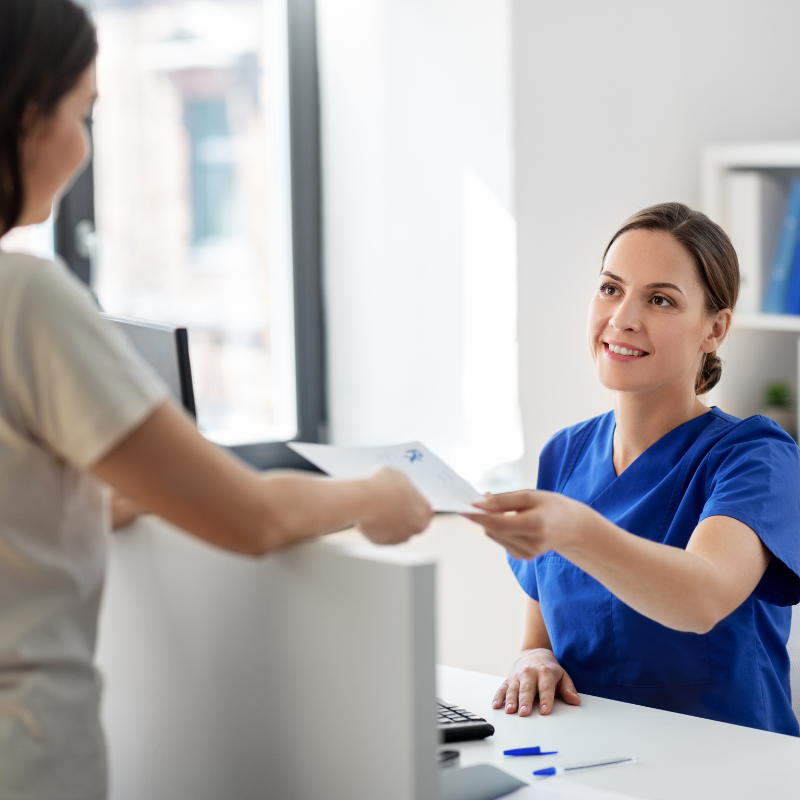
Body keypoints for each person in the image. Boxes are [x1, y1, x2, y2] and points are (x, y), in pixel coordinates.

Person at [0, 1, 433, 797]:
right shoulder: (22, 295)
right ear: (29, 117)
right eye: (81, 112)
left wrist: (102, 503)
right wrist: (372, 496)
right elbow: (250, 519)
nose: (83, 147)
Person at [467, 202, 800, 736]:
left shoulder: (756, 456)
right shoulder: (565, 453)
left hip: (730, 773)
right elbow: (539, 638)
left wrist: (578, 530)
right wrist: (534, 661)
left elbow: (702, 598)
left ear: (714, 329)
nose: (622, 317)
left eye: (661, 300)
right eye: (609, 288)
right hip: (592, 763)